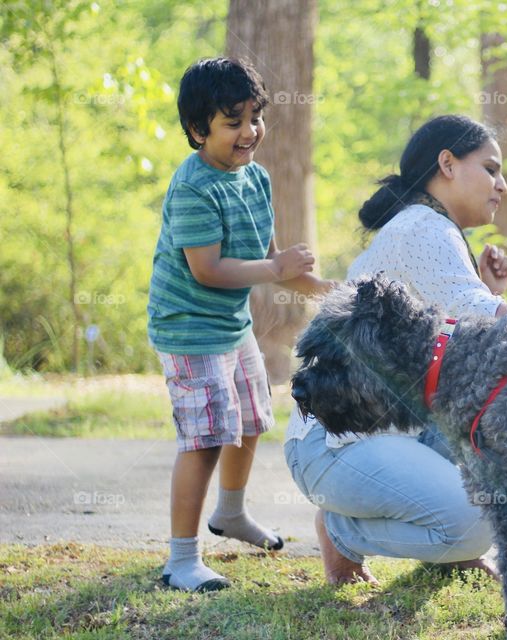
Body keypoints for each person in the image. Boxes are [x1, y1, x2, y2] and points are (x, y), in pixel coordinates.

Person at [284, 114, 507, 585]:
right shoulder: (423, 228)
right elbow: (476, 312)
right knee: (479, 523)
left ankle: (448, 547)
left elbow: (447, 338)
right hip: (335, 442)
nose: (502, 185)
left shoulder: (429, 228)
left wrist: (486, 289)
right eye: (490, 168)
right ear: (447, 163)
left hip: (386, 434)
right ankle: (342, 533)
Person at [148, 57, 333, 592]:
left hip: (230, 326)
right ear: (197, 130)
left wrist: (325, 291)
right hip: (188, 328)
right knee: (204, 440)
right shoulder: (194, 187)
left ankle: (230, 513)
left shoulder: (255, 179)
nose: (250, 131)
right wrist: (276, 269)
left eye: (256, 116)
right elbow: (208, 269)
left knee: (251, 419)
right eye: (234, 121)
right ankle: (181, 560)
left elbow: (266, 259)